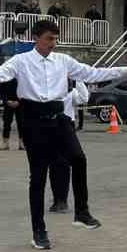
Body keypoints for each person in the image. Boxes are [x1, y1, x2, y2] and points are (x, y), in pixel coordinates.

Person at [0, 18, 127, 250]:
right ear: (36, 38)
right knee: (38, 176)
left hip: (59, 118)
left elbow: (92, 73)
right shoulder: (21, 61)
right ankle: (39, 232)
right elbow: (0, 74)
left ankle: (82, 213)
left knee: (79, 159)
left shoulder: (63, 61)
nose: (53, 43)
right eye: (49, 39)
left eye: (55, 39)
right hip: (33, 120)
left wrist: (126, 69)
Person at [48, 80, 89, 213]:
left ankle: (62, 200)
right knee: (54, 164)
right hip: (51, 125)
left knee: (65, 163)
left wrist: (78, 80)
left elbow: (84, 98)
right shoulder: (50, 88)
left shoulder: (71, 91)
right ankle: (58, 199)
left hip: (67, 125)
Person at [0, 75, 21, 151]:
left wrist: (19, 101)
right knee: (6, 123)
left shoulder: (22, 77)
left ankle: (22, 143)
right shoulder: (5, 78)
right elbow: (1, 92)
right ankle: (5, 143)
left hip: (20, 104)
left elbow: (26, 91)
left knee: (22, 124)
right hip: (8, 103)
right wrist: (7, 101)